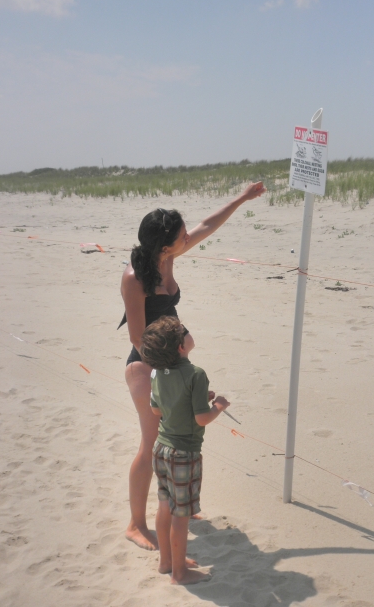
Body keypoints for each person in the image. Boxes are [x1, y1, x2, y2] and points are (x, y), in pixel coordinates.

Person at [120, 182, 265, 550]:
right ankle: (136, 524)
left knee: (177, 437)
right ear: (163, 245)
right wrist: (172, 376)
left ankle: (172, 505)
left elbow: (206, 226)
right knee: (153, 443)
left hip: (174, 359)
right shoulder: (134, 278)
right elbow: (138, 338)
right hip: (147, 365)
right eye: (180, 235)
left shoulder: (168, 255)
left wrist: (242, 198)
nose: (188, 236)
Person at [140, 316, 230, 584]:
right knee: (181, 515)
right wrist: (219, 406)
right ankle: (179, 573)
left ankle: (167, 562)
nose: (188, 332)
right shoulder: (196, 374)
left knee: (164, 505)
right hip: (184, 454)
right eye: (184, 331)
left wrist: (198, 400)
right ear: (181, 346)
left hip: (161, 448)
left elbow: (157, 409)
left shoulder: (157, 372)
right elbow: (202, 419)